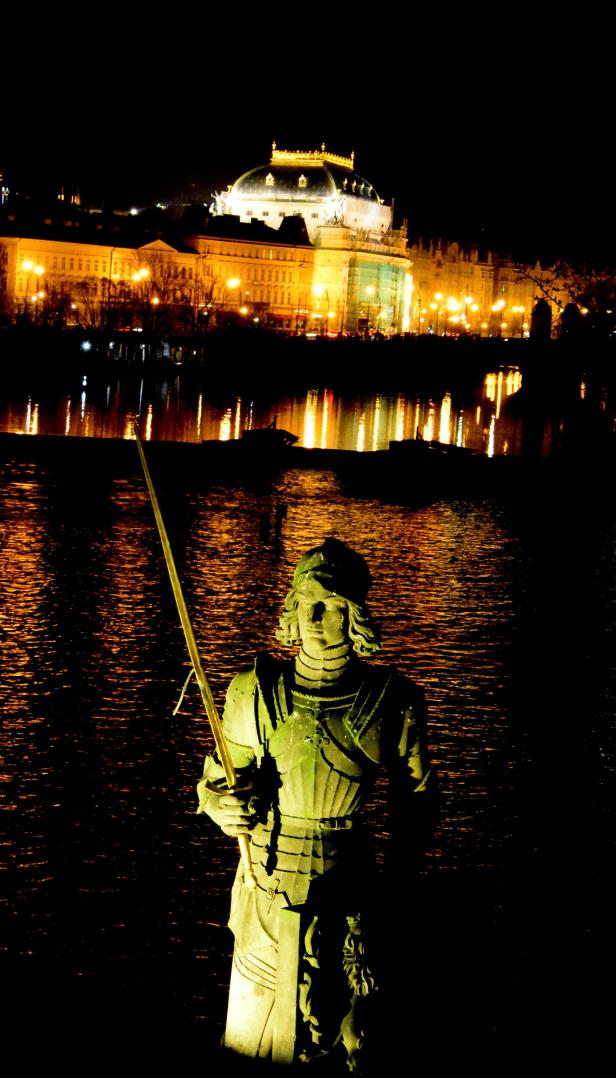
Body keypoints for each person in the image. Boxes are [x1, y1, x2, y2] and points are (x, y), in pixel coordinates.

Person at [197, 538, 434, 1071]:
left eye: (334, 605)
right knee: (253, 1037)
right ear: (293, 610)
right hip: (265, 884)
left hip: (350, 892)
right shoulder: (252, 691)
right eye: (310, 603)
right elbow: (215, 779)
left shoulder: (393, 701)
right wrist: (222, 807)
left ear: (356, 615)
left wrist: (396, 893)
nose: (318, 617)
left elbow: (415, 805)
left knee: (349, 1041)